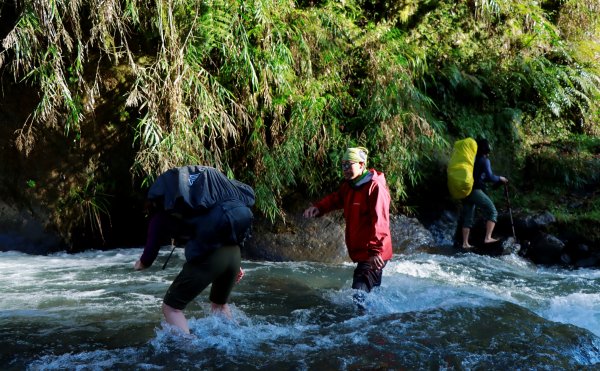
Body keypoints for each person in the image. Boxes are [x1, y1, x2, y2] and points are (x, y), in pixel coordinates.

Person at [134, 165, 254, 335]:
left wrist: (137, 266)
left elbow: (147, 259)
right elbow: (226, 229)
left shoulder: (161, 216)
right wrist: (235, 267)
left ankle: (189, 351)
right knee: (219, 305)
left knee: (171, 308)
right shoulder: (206, 203)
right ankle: (237, 339)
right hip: (234, 254)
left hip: (211, 256)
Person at [303, 147, 393, 306]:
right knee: (367, 298)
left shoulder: (375, 186)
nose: (344, 169)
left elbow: (380, 221)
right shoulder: (350, 185)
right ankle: (378, 323)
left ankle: (365, 327)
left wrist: (375, 251)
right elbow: (336, 199)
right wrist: (319, 208)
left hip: (372, 254)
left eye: (348, 164)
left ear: (361, 164)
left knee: (359, 296)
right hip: (366, 254)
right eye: (343, 165)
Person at [461, 139, 508, 249]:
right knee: (493, 211)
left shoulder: (471, 159)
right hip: (475, 191)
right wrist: (500, 178)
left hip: (465, 190)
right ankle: (488, 238)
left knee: (468, 217)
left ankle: (465, 243)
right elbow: (490, 177)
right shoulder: (484, 160)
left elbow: (482, 177)